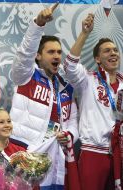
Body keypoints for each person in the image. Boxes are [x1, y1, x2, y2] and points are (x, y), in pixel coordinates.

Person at [9, 3, 79, 189]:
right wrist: (38, 25)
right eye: (51, 52)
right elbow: (24, 54)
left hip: (53, 157)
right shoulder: (26, 76)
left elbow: (72, 120)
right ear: (38, 56)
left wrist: (69, 134)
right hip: (24, 151)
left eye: (59, 52)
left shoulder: (66, 87)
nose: (56, 56)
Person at [63, 13, 122, 190]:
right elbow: (69, 66)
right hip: (93, 152)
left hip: (120, 154)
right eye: (107, 50)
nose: (113, 53)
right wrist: (84, 33)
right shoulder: (87, 80)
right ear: (97, 59)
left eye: (115, 50)